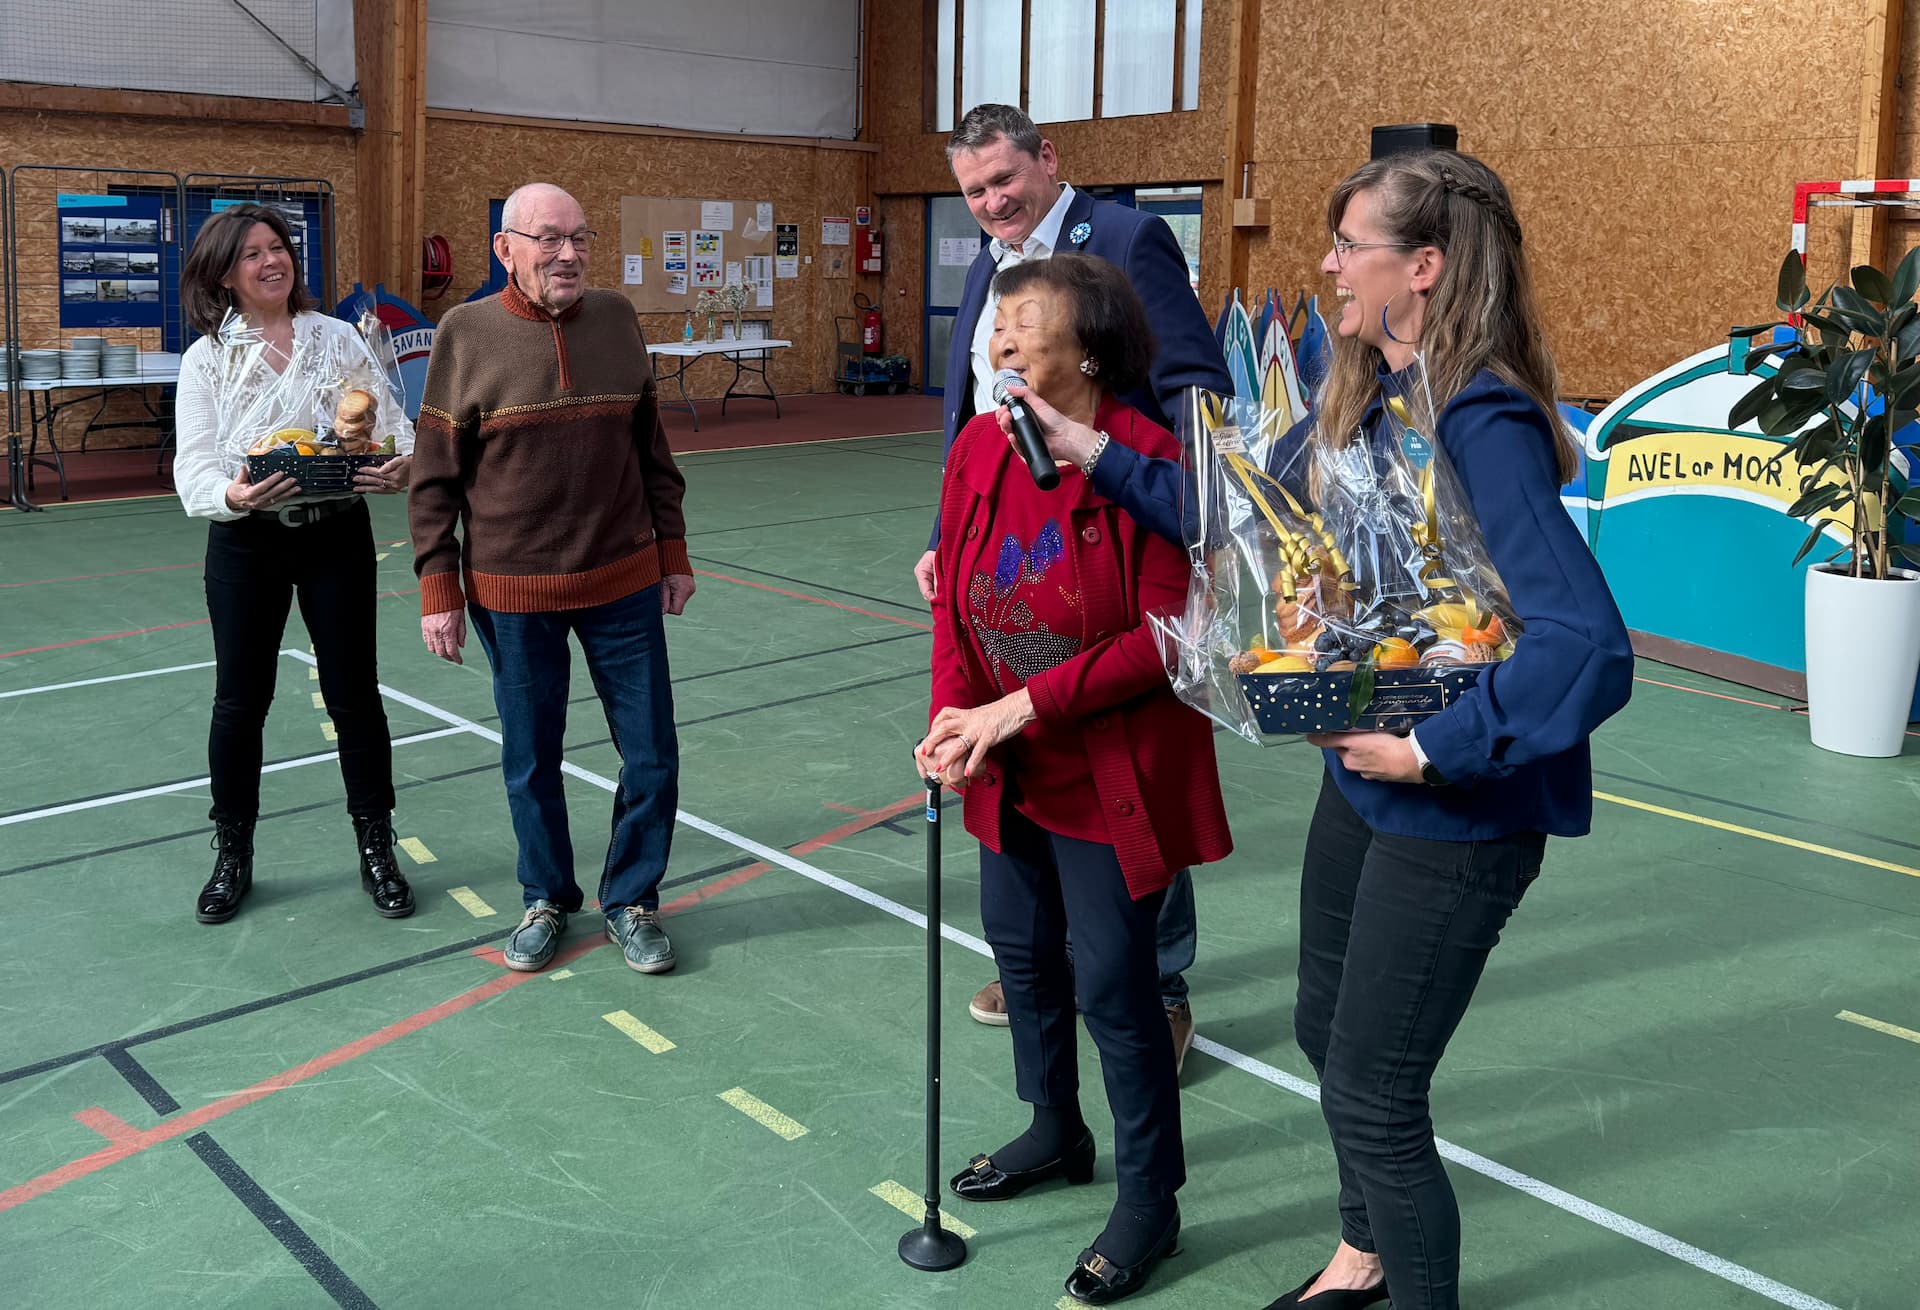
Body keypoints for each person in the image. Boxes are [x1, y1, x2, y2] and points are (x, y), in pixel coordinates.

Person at [1258, 153, 1631, 1308]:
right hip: (1363, 784)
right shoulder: (1368, 396)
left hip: (1451, 800)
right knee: (1325, 1033)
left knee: (1374, 1088)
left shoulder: (1483, 418)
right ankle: (1364, 1255)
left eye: (1348, 244)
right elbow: (1260, 519)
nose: (1326, 264)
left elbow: (1587, 641)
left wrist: (1434, 750)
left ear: (1421, 267)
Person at [918, 253, 1232, 1306]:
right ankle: (1054, 1126)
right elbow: (954, 600)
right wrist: (952, 719)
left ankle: (1152, 1197)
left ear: (1089, 349)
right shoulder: (976, 447)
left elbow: (1165, 636)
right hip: (1010, 763)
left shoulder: (1146, 457)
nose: (1001, 339)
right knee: (1023, 960)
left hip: (1108, 769)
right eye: (996, 325)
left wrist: (1021, 706)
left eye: (1025, 322)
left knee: (1114, 983)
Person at [920, 102, 1229, 1066]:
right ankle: (1045, 963)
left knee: (1127, 764)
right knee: (1038, 768)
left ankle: (1159, 980)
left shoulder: (1129, 239)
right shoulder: (988, 266)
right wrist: (947, 533)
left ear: (1048, 160)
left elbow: (1192, 385)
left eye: (1005, 180)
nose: (992, 202)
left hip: (1113, 531)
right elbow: (972, 407)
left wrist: (1164, 498)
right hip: (1011, 539)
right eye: (973, 191)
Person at [409, 182, 695, 976]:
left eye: (578, 238)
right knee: (531, 758)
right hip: (512, 593)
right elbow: (434, 479)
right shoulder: (464, 333)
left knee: (651, 754)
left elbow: (653, 454)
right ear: (506, 248)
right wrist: (440, 590)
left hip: (625, 581)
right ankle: (546, 898)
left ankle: (633, 901)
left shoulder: (618, 320)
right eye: (547, 239)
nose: (566, 254)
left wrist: (671, 554)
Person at [173, 203, 418, 925]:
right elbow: (193, 472)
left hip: (335, 534)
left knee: (356, 698)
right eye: (251, 253)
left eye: (277, 247)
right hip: (247, 542)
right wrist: (235, 493)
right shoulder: (207, 358)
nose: (270, 260)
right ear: (223, 272)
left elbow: (393, 428)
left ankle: (377, 844)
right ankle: (233, 851)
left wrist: (397, 467)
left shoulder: (338, 337)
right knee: (240, 704)